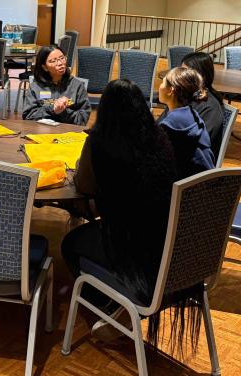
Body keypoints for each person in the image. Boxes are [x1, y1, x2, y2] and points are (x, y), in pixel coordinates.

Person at [65, 79, 187, 345]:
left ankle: (113, 307)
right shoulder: (159, 136)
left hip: (127, 241)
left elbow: (84, 185)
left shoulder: (100, 141)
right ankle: (116, 305)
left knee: (70, 245)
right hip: (162, 236)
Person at [157, 66, 215, 177]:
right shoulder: (192, 114)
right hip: (203, 183)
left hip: (185, 189)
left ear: (171, 91)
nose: (159, 87)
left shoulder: (171, 124)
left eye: (163, 82)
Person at [21, 45, 91, 125]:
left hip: (68, 133)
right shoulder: (36, 87)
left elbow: (82, 119)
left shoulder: (77, 86)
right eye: (53, 61)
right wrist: (52, 109)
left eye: (62, 58)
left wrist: (63, 111)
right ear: (44, 67)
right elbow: (28, 116)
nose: (60, 63)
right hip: (41, 133)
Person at [181, 52, 226, 161]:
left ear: (201, 76)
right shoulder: (184, 97)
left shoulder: (210, 108)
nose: (181, 76)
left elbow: (194, 146)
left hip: (193, 168)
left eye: (186, 72)